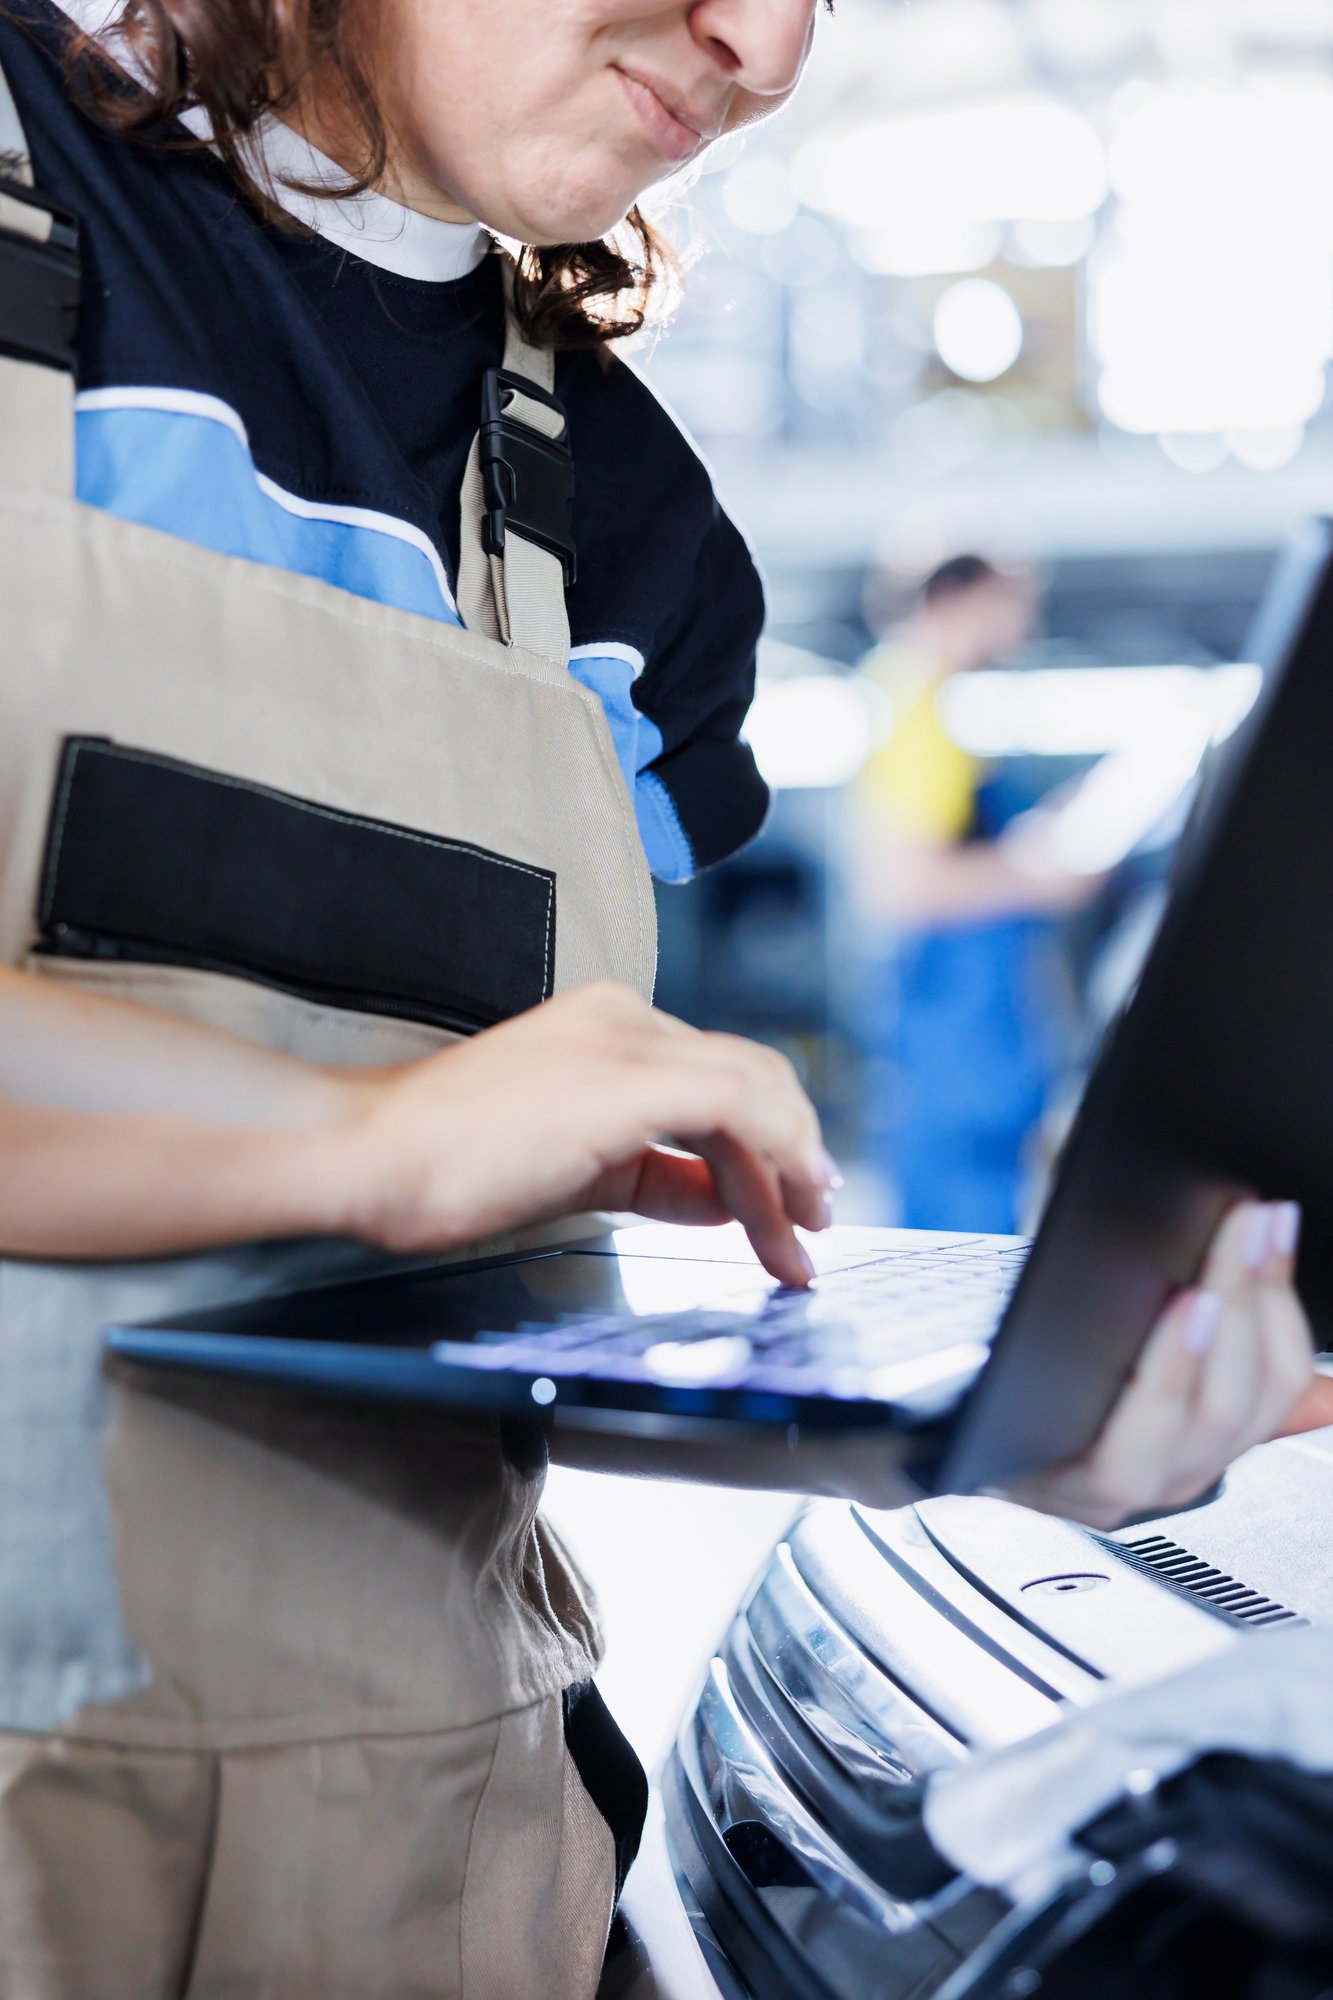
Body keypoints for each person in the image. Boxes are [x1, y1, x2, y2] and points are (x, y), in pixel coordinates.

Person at [0, 4, 1325, 1994]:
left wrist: (991, 1440)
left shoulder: (630, 540)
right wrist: (359, 1143)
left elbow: (439, 1338)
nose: (763, 44)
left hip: (438, 1847)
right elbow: (383, 1142)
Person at [852, 554, 1100, 1232]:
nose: (1025, 621)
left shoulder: (935, 704)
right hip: (960, 1047)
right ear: (954, 595)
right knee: (957, 1246)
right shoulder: (916, 704)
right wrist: (1041, 873)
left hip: (978, 1042)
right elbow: (901, 884)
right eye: (1011, 601)